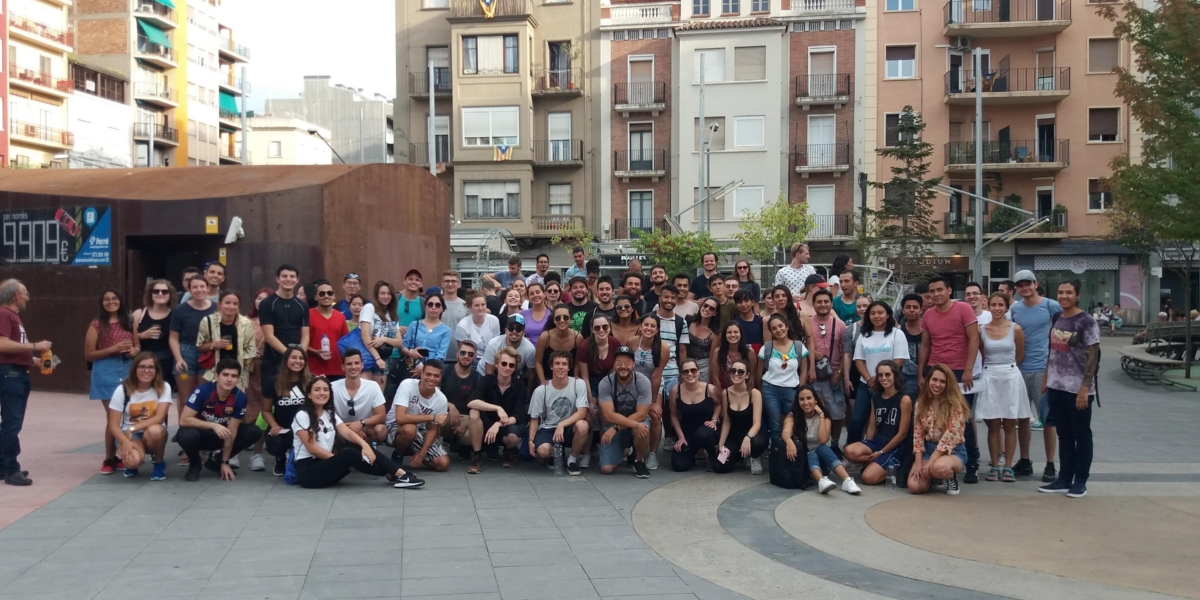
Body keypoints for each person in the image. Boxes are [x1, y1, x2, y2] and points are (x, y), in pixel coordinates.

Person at [293, 377, 424, 489]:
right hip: (309, 474)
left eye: (325, 390)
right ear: (309, 394)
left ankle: (398, 473)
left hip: (325, 466)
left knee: (355, 445)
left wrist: (365, 445)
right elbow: (312, 448)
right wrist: (338, 460)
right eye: (317, 390)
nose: (322, 393)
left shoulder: (329, 414)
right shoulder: (302, 415)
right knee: (348, 454)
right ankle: (396, 474)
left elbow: (347, 433)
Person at [917, 275, 981, 484]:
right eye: (932, 291)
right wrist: (921, 373)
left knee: (964, 421)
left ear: (949, 291)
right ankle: (937, 463)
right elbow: (925, 345)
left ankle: (971, 464)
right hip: (934, 371)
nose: (935, 295)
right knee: (932, 417)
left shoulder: (963, 309)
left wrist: (969, 369)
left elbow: (974, 338)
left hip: (961, 372)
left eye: (939, 290)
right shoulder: (927, 315)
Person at [1039, 280, 1100, 499]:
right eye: (1060, 292)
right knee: (1064, 434)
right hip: (1056, 387)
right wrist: (1046, 379)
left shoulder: (1086, 321)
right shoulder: (1057, 318)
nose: (1064, 296)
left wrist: (1085, 389)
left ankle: (1080, 481)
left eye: (1069, 293)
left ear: (1077, 296)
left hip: (1078, 390)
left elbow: (1092, 356)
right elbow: (1052, 351)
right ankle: (1064, 478)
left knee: (1081, 435)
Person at [1008, 269, 1062, 482]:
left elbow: (1063, 334)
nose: (1025, 288)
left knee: (1047, 419)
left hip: (1043, 370)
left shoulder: (1051, 306)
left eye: (1028, 283)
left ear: (1035, 284)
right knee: (1022, 419)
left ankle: (1050, 464)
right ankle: (1025, 460)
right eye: (1020, 285)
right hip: (1019, 370)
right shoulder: (1015, 309)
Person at [177, 359, 263, 482]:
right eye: (225, 375)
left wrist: (225, 462)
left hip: (221, 436)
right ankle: (195, 464)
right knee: (186, 434)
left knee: (253, 431)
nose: (229, 379)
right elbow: (184, 420)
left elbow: (232, 431)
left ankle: (216, 461)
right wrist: (213, 425)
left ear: (238, 379)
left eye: (234, 376)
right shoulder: (203, 391)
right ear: (217, 376)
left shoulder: (240, 397)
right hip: (199, 434)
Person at [0, 280, 50, 486]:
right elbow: (1, 343)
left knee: (10, 423)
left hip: (17, 371)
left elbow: (13, 347)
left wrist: (34, 360)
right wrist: (35, 345)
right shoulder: (4, 314)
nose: (28, 297)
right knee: (12, 423)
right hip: (10, 374)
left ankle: (4, 465)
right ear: (15, 296)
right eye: (25, 293)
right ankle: (12, 469)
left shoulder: (13, 316)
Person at [86, 289, 139, 474]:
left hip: (127, 368)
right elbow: (89, 354)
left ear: (120, 300)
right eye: (106, 299)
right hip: (106, 370)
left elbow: (137, 344)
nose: (110, 302)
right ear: (102, 303)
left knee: (128, 414)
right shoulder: (97, 324)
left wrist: (135, 351)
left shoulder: (129, 321)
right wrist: (113, 348)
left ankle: (126, 454)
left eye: (114, 298)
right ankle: (110, 458)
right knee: (112, 417)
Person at [978, 293, 1029, 483]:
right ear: (988, 307)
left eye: (1001, 304)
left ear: (1006, 307)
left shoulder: (1016, 329)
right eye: (993, 304)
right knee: (992, 425)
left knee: (1009, 424)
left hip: (1010, 376)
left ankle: (1008, 465)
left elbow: (1020, 354)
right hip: (990, 376)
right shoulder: (981, 329)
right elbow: (982, 354)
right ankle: (994, 465)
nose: (997, 308)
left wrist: (1007, 369)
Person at [843, 360, 912, 486]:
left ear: (895, 376)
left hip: (896, 446)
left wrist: (881, 452)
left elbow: (902, 434)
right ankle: (878, 463)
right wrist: (868, 449)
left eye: (887, 375)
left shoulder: (904, 399)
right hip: (879, 441)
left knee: (868, 478)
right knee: (849, 451)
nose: (883, 378)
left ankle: (898, 468)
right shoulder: (876, 396)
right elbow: (872, 426)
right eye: (880, 375)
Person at [850, 300, 909, 445]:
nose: (877, 316)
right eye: (873, 313)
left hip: (889, 386)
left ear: (888, 315)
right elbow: (858, 360)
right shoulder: (864, 335)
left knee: (885, 422)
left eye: (880, 312)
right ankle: (851, 452)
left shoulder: (897, 334)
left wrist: (880, 378)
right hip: (866, 385)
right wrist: (870, 379)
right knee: (857, 420)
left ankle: (882, 451)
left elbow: (900, 359)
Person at [783, 385, 861, 494]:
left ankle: (847, 480)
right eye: (802, 399)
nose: (806, 402)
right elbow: (786, 432)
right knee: (811, 454)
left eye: (809, 398)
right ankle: (821, 481)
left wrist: (820, 414)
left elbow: (823, 440)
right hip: (802, 461)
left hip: (821, 459)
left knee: (822, 448)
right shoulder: (793, 416)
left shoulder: (824, 416)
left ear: (815, 399)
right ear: (797, 402)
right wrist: (789, 441)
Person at [908, 364, 970, 495]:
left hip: (952, 451)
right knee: (914, 486)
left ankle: (948, 477)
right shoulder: (921, 403)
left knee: (938, 468)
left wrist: (931, 462)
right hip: (929, 448)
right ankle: (933, 478)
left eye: (942, 381)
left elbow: (950, 437)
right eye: (934, 380)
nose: (937, 384)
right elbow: (918, 434)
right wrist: (918, 462)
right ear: (929, 380)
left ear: (949, 384)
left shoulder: (955, 404)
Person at [107, 353, 171, 479]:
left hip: (151, 432)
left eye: (151, 367)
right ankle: (133, 465)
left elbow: (159, 418)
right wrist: (124, 441)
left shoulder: (163, 387)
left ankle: (159, 463)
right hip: (130, 435)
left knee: (155, 430)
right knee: (132, 461)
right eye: (142, 367)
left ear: (156, 370)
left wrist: (133, 428)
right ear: (134, 369)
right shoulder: (122, 390)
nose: (146, 371)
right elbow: (113, 425)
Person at [528, 351, 591, 474]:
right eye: (557, 363)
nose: (561, 367)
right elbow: (534, 418)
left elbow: (582, 412)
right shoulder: (541, 390)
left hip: (568, 427)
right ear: (551, 367)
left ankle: (571, 460)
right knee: (542, 451)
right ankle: (554, 454)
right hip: (548, 427)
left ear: (569, 367)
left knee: (583, 425)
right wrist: (531, 440)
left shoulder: (578, 384)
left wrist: (561, 425)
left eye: (564, 364)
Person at [259, 265, 311, 412]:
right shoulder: (267, 304)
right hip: (274, 359)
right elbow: (268, 335)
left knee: (298, 398)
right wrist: (290, 354)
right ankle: (271, 430)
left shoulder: (302, 306)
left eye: (292, 276)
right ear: (278, 279)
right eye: (285, 276)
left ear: (297, 280)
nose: (288, 279)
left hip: (297, 361)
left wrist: (300, 355)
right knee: (271, 401)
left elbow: (306, 335)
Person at [466, 347, 526, 471]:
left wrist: (498, 424)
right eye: (504, 363)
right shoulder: (487, 380)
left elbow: (519, 415)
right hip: (487, 423)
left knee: (513, 437)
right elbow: (471, 402)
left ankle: (508, 451)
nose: (507, 367)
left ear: (514, 368)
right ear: (497, 364)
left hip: (509, 425)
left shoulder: (520, 385)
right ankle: (477, 455)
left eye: (511, 365)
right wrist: (497, 408)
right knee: (473, 412)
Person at [388, 360, 452, 472]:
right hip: (395, 426)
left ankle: (412, 450)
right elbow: (400, 418)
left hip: (420, 429)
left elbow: (433, 430)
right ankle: (399, 453)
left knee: (443, 464)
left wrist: (422, 454)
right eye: (428, 374)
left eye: (436, 376)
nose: (432, 378)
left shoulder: (441, 399)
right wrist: (432, 417)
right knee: (409, 429)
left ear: (440, 377)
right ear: (422, 373)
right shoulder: (407, 384)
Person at [169, 276, 216, 422]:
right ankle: (184, 429)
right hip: (185, 352)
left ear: (208, 288)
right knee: (186, 398)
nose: (199, 290)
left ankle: (203, 430)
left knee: (206, 397)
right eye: (195, 287)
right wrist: (178, 358)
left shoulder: (216, 308)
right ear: (189, 290)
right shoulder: (180, 310)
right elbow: (173, 338)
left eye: (202, 286)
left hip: (208, 352)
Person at [808, 289, 847, 456]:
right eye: (819, 302)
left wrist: (840, 372)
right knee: (812, 411)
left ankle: (835, 444)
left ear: (831, 304)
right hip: (813, 374)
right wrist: (812, 354)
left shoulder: (840, 324)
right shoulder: (807, 322)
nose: (823, 305)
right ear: (813, 304)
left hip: (834, 375)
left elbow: (846, 351)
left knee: (837, 412)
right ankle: (815, 444)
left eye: (826, 302)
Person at [759, 314, 810, 444]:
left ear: (787, 327)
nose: (778, 330)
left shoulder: (799, 346)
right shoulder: (767, 348)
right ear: (771, 331)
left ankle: (795, 452)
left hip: (792, 390)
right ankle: (777, 453)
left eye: (781, 326)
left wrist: (800, 391)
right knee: (775, 425)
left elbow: (804, 371)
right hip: (770, 390)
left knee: (793, 422)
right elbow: (758, 372)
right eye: (774, 328)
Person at [628, 314, 670, 470]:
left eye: (653, 326)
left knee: (655, 416)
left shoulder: (663, 348)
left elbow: (657, 375)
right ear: (640, 326)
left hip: (653, 383)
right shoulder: (632, 342)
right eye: (646, 325)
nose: (649, 328)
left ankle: (652, 454)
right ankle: (632, 448)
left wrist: (652, 402)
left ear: (657, 329)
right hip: (634, 383)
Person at [262, 346, 310, 476]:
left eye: (301, 358)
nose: (297, 361)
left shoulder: (311, 381)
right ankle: (280, 458)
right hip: (283, 428)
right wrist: (274, 425)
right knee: (274, 443)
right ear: (285, 360)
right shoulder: (272, 382)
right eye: (293, 357)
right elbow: (265, 410)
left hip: (305, 428)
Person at [713, 360, 767, 474]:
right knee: (719, 467)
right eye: (733, 371)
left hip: (753, 434)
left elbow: (757, 423)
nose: (736, 374)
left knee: (757, 443)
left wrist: (748, 437)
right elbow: (726, 422)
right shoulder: (726, 393)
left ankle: (754, 457)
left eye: (741, 372)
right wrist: (721, 444)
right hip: (734, 436)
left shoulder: (754, 393)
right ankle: (739, 457)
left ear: (747, 375)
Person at [668, 359, 720, 472]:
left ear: (699, 371)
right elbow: (673, 416)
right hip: (687, 430)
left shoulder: (710, 389)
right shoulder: (675, 391)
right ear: (681, 374)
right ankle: (692, 454)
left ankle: (711, 454)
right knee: (679, 465)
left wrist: (714, 420)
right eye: (686, 371)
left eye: (693, 370)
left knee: (702, 435)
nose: (690, 374)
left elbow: (719, 405)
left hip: (707, 429)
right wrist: (681, 437)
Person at [330, 349, 389, 446]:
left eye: (356, 363)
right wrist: (348, 429)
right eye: (349, 364)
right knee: (332, 433)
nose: (353, 367)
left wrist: (361, 423)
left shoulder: (372, 386)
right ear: (343, 367)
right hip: (341, 428)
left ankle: (365, 449)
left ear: (362, 365)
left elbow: (381, 416)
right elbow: (326, 415)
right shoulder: (332, 387)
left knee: (381, 430)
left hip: (364, 427)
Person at [133, 280, 177, 395]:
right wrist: (142, 335)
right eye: (156, 291)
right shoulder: (139, 314)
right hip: (143, 363)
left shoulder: (175, 315)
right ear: (150, 294)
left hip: (166, 364)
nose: (160, 294)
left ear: (170, 294)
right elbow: (127, 338)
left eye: (165, 291)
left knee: (163, 398)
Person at [439, 340, 481, 459]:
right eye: (463, 353)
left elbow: (480, 406)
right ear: (457, 354)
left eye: (470, 354)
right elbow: (433, 397)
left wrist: (466, 424)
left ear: (475, 357)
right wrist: (451, 406)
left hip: (466, 417)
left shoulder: (478, 378)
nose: (466, 356)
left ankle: (463, 444)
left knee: (470, 435)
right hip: (445, 414)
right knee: (431, 421)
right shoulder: (445, 371)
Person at [245, 287, 273, 469]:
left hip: (267, 371)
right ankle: (236, 449)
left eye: (265, 299)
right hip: (248, 371)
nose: (261, 301)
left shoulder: (274, 321)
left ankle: (258, 453)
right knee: (246, 409)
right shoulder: (245, 321)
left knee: (264, 410)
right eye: (258, 298)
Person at [300, 280, 347, 380]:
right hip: (314, 370)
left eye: (329, 293)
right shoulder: (307, 315)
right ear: (316, 297)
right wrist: (316, 352)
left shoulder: (340, 317)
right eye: (322, 293)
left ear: (333, 296)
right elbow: (300, 343)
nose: (326, 296)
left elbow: (345, 343)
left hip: (337, 369)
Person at [360, 280, 400, 387]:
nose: (386, 296)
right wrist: (376, 357)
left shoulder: (392, 314)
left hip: (384, 358)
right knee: (365, 394)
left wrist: (384, 339)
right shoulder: (369, 308)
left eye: (389, 294)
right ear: (376, 294)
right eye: (382, 293)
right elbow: (365, 335)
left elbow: (399, 342)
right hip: (367, 356)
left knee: (378, 396)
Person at [400, 292, 452, 372]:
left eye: (437, 305)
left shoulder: (446, 330)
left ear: (442, 309)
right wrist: (410, 353)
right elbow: (403, 346)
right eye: (430, 304)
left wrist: (425, 368)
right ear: (425, 307)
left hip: (432, 371)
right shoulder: (414, 325)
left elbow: (441, 355)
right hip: (412, 367)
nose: (433, 308)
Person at [536, 305, 582, 387]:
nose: (562, 320)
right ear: (553, 320)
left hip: (569, 379)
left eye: (566, 317)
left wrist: (575, 379)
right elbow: (538, 362)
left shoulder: (577, 338)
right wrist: (543, 381)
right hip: (547, 379)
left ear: (570, 319)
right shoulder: (545, 337)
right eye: (558, 318)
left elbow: (577, 363)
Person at [455, 293, 500, 367]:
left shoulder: (494, 320)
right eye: (476, 305)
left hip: (491, 359)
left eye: (483, 305)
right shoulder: (462, 325)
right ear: (470, 307)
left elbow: (496, 344)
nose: (481, 308)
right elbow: (462, 351)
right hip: (472, 360)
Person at [713, 321, 760, 392]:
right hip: (724, 391)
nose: (732, 335)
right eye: (729, 332)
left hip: (744, 391)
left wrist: (747, 393)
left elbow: (752, 377)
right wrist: (722, 396)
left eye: (736, 332)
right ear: (724, 335)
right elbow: (715, 377)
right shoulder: (718, 352)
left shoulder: (749, 352)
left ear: (741, 334)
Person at [899, 294, 924, 401]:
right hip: (904, 378)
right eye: (908, 307)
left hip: (925, 375)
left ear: (921, 310)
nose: (912, 310)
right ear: (903, 310)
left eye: (915, 307)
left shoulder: (928, 329)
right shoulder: (898, 331)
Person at [688, 297, 718, 383]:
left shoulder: (715, 334)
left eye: (711, 308)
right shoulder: (689, 321)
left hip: (703, 367)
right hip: (687, 362)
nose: (707, 309)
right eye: (705, 305)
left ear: (715, 313)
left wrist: (711, 380)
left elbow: (712, 360)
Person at [440, 271, 469, 351]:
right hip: (438, 354)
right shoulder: (435, 304)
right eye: (447, 281)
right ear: (442, 284)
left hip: (460, 355)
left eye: (453, 281)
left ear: (458, 284)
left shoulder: (465, 305)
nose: (450, 284)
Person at [731, 290, 764, 356]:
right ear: (736, 305)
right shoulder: (734, 324)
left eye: (746, 301)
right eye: (740, 302)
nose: (743, 304)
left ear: (752, 302)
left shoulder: (762, 321)